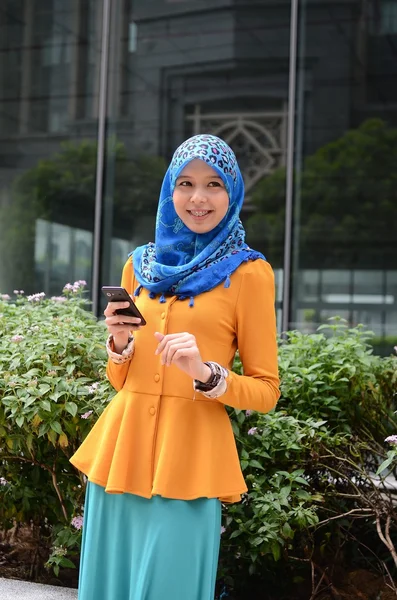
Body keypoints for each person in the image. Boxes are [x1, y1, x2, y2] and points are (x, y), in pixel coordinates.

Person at [70, 134, 280, 600]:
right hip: (120, 453)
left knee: (172, 586)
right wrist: (120, 343)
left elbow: (267, 390)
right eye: (185, 183)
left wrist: (206, 372)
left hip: (191, 459)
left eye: (213, 185)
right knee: (110, 585)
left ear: (233, 193)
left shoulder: (248, 273)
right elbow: (120, 380)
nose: (198, 198)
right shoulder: (139, 267)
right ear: (170, 189)